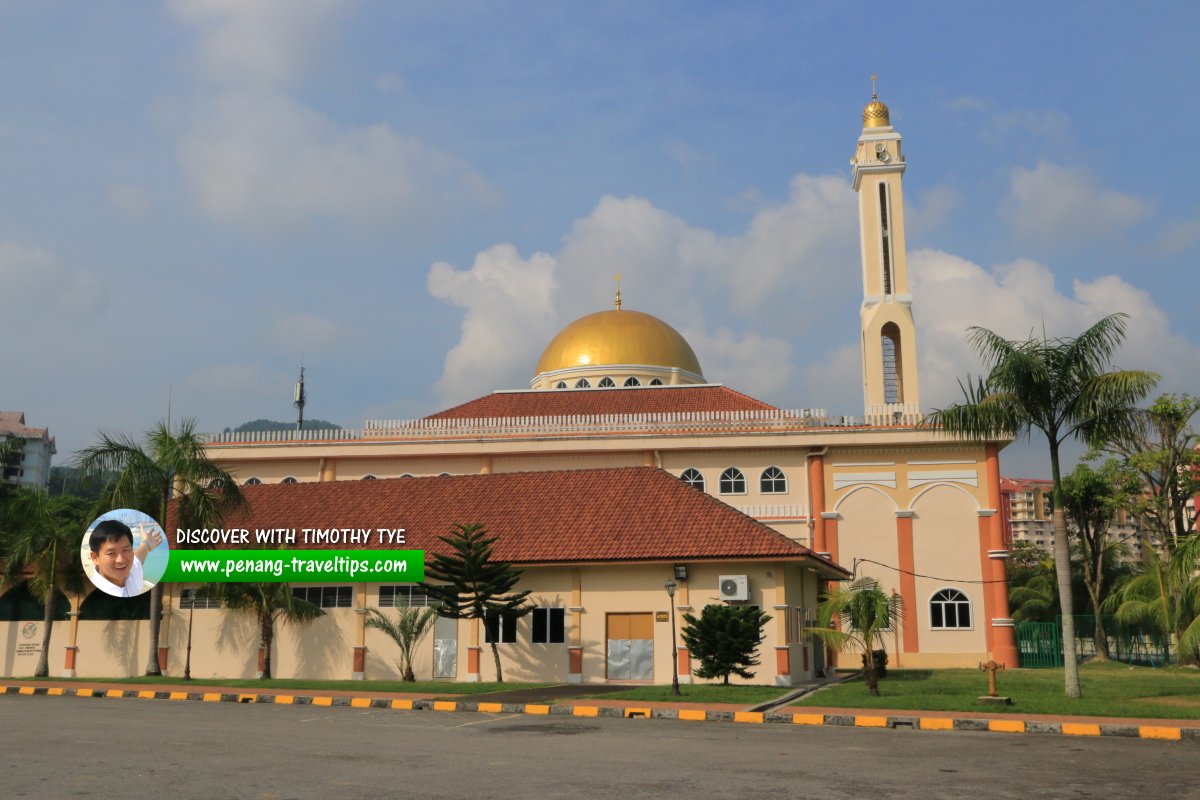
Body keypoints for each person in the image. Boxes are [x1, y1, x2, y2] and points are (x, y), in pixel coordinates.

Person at [87, 519, 163, 598]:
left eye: (125, 550)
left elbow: (138, 558)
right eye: (112, 553)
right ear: (95, 558)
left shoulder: (130, 574)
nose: (121, 560)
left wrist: (146, 544)